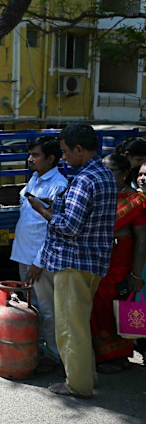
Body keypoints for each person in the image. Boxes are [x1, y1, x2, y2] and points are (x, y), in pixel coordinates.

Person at [29, 123, 118, 399]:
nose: (63, 157)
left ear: (80, 149)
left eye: (66, 152)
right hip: (92, 262)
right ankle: (86, 377)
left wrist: (43, 210)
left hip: (74, 263)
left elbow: (69, 226)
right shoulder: (104, 174)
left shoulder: (83, 179)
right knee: (79, 323)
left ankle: (77, 385)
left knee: (70, 327)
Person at [12, 136, 68, 374]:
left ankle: (53, 354)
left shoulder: (59, 185)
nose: (30, 159)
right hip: (24, 254)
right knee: (30, 306)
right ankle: (33, 348)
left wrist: (39, 261)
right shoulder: (34, 179)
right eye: (30, 154)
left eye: (35, 155)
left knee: (47, 309)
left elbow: (54, 229)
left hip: (40, 259)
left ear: (51, 158)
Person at [86, 154, 145, 373]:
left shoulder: (136, 201)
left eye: (110, 172)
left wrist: (136, 275)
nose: (104, 176)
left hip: (119, 263)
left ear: (123, 174)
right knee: (95, 307)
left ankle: (119, 357)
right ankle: (99, 354)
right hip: (97, 260)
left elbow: (142, 241)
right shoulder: (101, 195)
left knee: (115, 308)